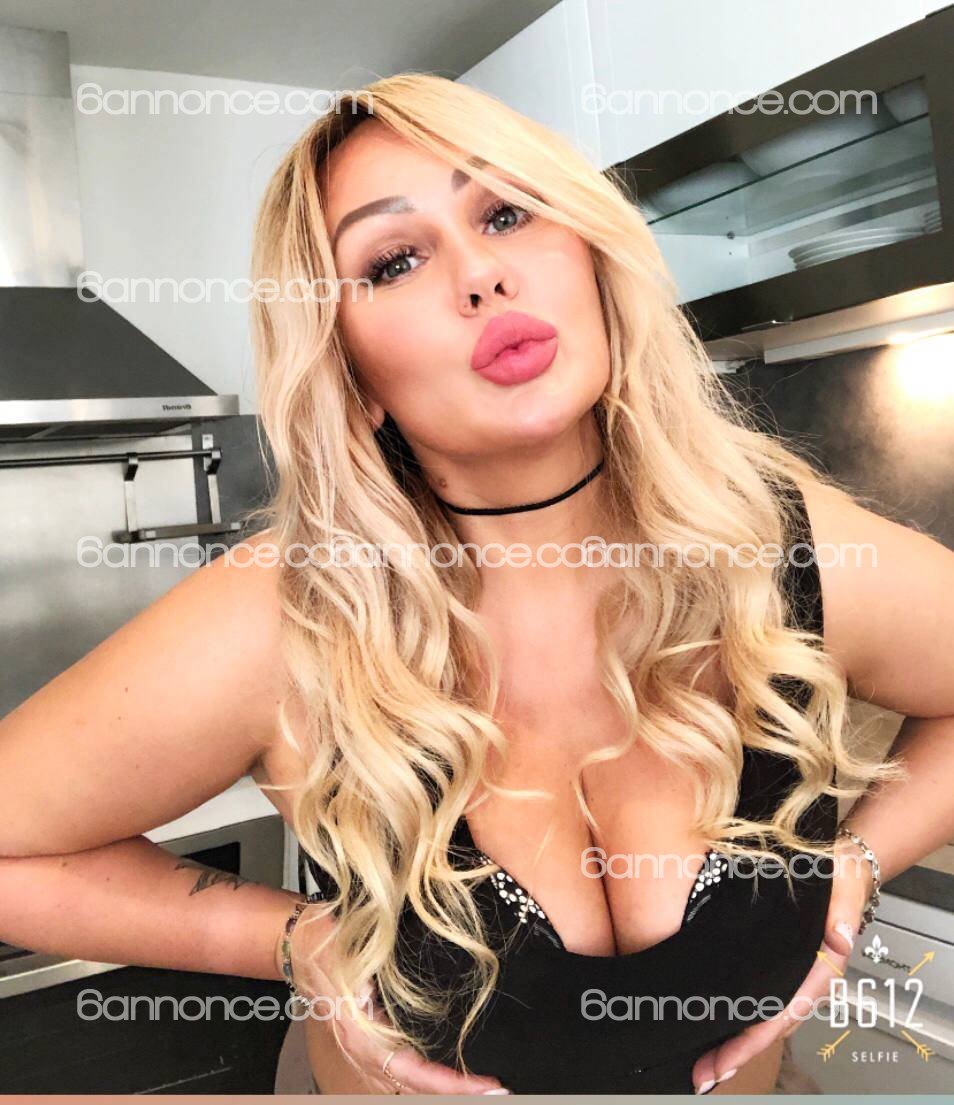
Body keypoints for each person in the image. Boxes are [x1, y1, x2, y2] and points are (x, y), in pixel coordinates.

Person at [2, 72, 953, 1096]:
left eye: (506, 213)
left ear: (591, 258)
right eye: (394, 259)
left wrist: (857, 861)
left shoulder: (774, 546)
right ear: (351, 371)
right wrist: (294, 942)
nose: (481, 274)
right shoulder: (289, 613)